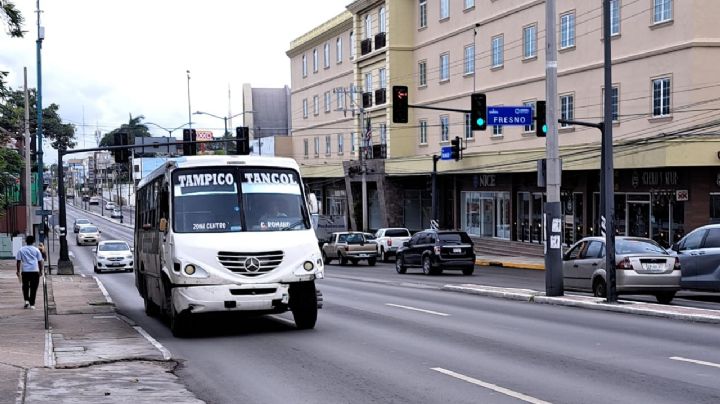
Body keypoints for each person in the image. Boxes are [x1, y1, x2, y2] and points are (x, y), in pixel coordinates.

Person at [15, 235, 44, 310]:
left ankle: (26, 300)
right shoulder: (36, 250)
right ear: (33, 241)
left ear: (26, 241)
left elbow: (18, 261)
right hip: (34, 271)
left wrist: (18, 271)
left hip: (25, 271)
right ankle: (32, 304)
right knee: (34, 287)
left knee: (25, 286)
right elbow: (40, 261)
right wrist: (41, 271)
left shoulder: (21, 250)